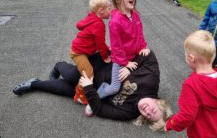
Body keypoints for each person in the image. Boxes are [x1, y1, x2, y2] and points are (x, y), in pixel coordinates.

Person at [13, 51, 173, 131]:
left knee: (68, 91)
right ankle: (59, 64)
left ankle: (34, 84)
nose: (147, 111)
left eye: (148, 117)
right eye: (153, 110)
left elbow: (100, 109)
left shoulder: (129, 112)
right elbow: (148, 55)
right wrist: (130, 65)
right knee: (69, 76)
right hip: (102, 64)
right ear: (158, 101)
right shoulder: (151, 82)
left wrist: (89, 88)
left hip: (95, 87)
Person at [96, 0, 150, 99]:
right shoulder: (115, 22)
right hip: (120, 60)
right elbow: (117, 47)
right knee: (115, 87)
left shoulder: (135, 15)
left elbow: (139, 34)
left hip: (134, 55)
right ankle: (95, 99)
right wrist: (125, 63)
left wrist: (143, 47)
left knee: (137, 80)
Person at [68, 0, 112, 105]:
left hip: (81, 50)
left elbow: (81, 26)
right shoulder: (99, 25)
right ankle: (80, 95)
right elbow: (100, 44)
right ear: (101, 10)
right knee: (89, 74)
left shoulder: (91, 16)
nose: (111, 10)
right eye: (109, 8)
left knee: (87, 71)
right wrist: (106, 56)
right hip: (78, 52)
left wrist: (107, 48)